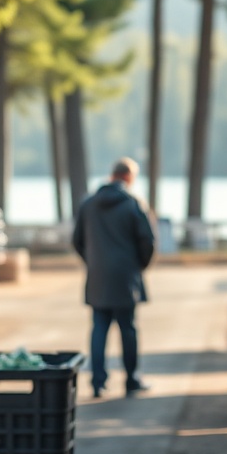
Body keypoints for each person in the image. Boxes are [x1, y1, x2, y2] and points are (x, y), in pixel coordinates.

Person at [72, 157, 155, 398]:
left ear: (113, 174)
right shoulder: (133, 203)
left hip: (97, 277)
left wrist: (92, 262)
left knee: (99, 329)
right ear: (129, 177)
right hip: (126, 277)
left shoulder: (88, 204)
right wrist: (139, 266)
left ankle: (98, 382)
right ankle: (131, 379)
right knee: (127, 329)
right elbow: (147, 241)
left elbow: (77, 240)